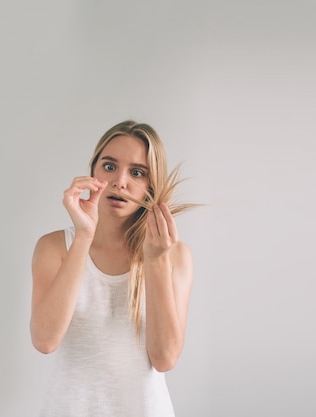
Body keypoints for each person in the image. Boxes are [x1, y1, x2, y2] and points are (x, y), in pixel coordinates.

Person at [30, 121, 194, 417]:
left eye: (136, 172)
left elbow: (164, 358)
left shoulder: (175, 255)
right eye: (109, 167)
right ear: (93, 173)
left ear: (151, 185)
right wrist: (83, 236)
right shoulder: (54, 247)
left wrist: (156, 260)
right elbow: (44, 340)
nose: (120, 181)